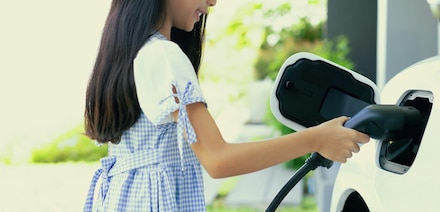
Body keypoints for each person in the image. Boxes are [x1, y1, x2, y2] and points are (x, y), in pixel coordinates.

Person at [82, 0, 370, 211]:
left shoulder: (136, 51)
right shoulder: (163, 55)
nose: (213, 2)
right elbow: (218, 158)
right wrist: (317, 138)